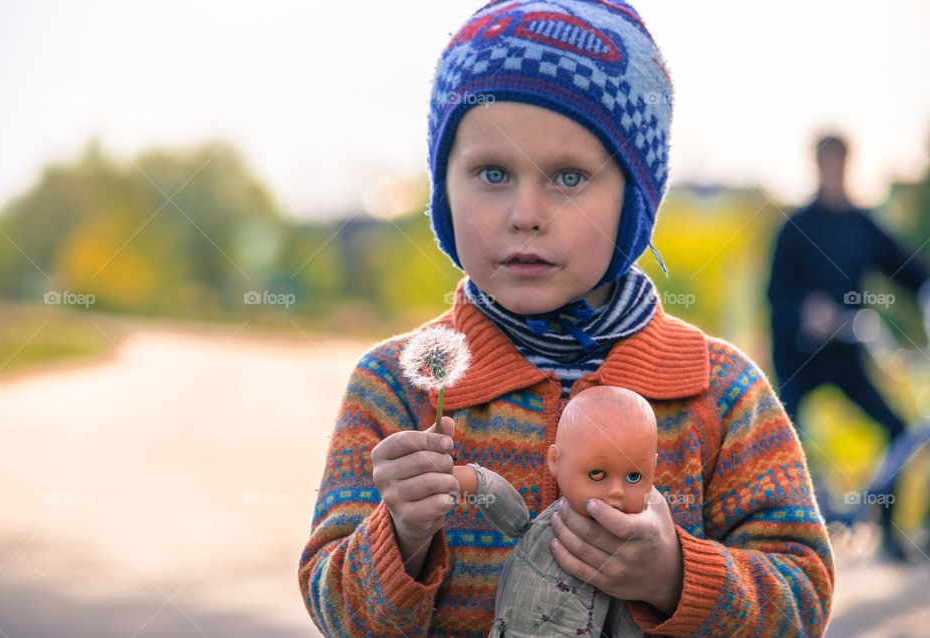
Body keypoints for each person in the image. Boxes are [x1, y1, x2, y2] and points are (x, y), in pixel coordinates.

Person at [299, 2, 834, 636]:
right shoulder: (397, 388)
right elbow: (337, 612)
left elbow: (803, 601)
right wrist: (402, 537)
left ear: (633, 198)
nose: (526, 212)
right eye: (491, 173)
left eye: (569, 177)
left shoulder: (721, 392)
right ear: (444, 187)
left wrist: (674, 577)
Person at [767, 133, 930, 561]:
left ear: (848, 164)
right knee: (781, 438)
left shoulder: (861, 226)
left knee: (896, 429)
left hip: (847, 358)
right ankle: (785, 541)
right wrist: (805, 311)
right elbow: (774, 296)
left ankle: (890, 537)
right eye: (827, 163)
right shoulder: (795, 226)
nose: (834, 171)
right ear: (817, 166)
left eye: (840, 163)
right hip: (799, 360)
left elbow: (905, 270)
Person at [451, 385, 657, 637]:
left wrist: (665, 577)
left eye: (634, 476)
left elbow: (628, 616)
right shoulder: (548, 525)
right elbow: (516, 522)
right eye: (597, 475)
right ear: (555, 462)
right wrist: (476, 481)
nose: (616, 491)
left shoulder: (632, 552)